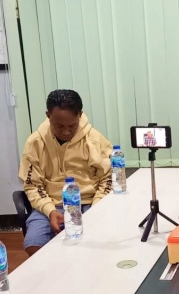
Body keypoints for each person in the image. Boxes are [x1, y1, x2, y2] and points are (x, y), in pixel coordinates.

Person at [18, 89, 113, 256]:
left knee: (100, 246)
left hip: (89, 203)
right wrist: (50, 211)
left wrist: (96, 210)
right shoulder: (35, 143)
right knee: (34, 244)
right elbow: (33, 186)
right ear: (48, 115)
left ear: (80, 116)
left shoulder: (95, 140)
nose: (66, 132)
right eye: (59, 126)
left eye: (72, 126)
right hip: (52, 205)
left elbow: (108, 179)